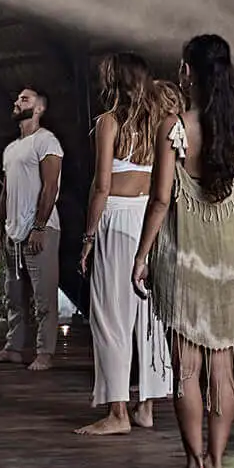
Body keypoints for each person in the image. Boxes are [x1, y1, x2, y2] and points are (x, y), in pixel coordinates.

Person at [133, 35, 234, 468]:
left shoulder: (175, 128)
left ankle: (194, 467)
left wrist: (142, 256)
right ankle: (218, 466)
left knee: (187, 367)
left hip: (183, 260)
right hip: (227, 263)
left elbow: (160, 201)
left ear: (188, 72)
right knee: (223, 367)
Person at [75, 58, 176, 436]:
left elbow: (102, 186)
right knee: (147, 317)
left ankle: (117, 412)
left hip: (116, 218)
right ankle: (146, 406)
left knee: (110, 316)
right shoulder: (161, 122)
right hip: (148, 218)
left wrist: (88, 237)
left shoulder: (109, 122)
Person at [0, 86, 63, 372]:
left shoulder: (47, 141)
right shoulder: (11, 149)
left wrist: (39, 226)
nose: (17, 102)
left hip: (40, 230)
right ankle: (13, 348)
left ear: (39, 108)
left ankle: (45, 353)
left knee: (44, 298)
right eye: (17, 98)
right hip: (12, 232)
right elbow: (6, 192)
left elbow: (50, 187)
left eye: (25, 99)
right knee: (14, 296)